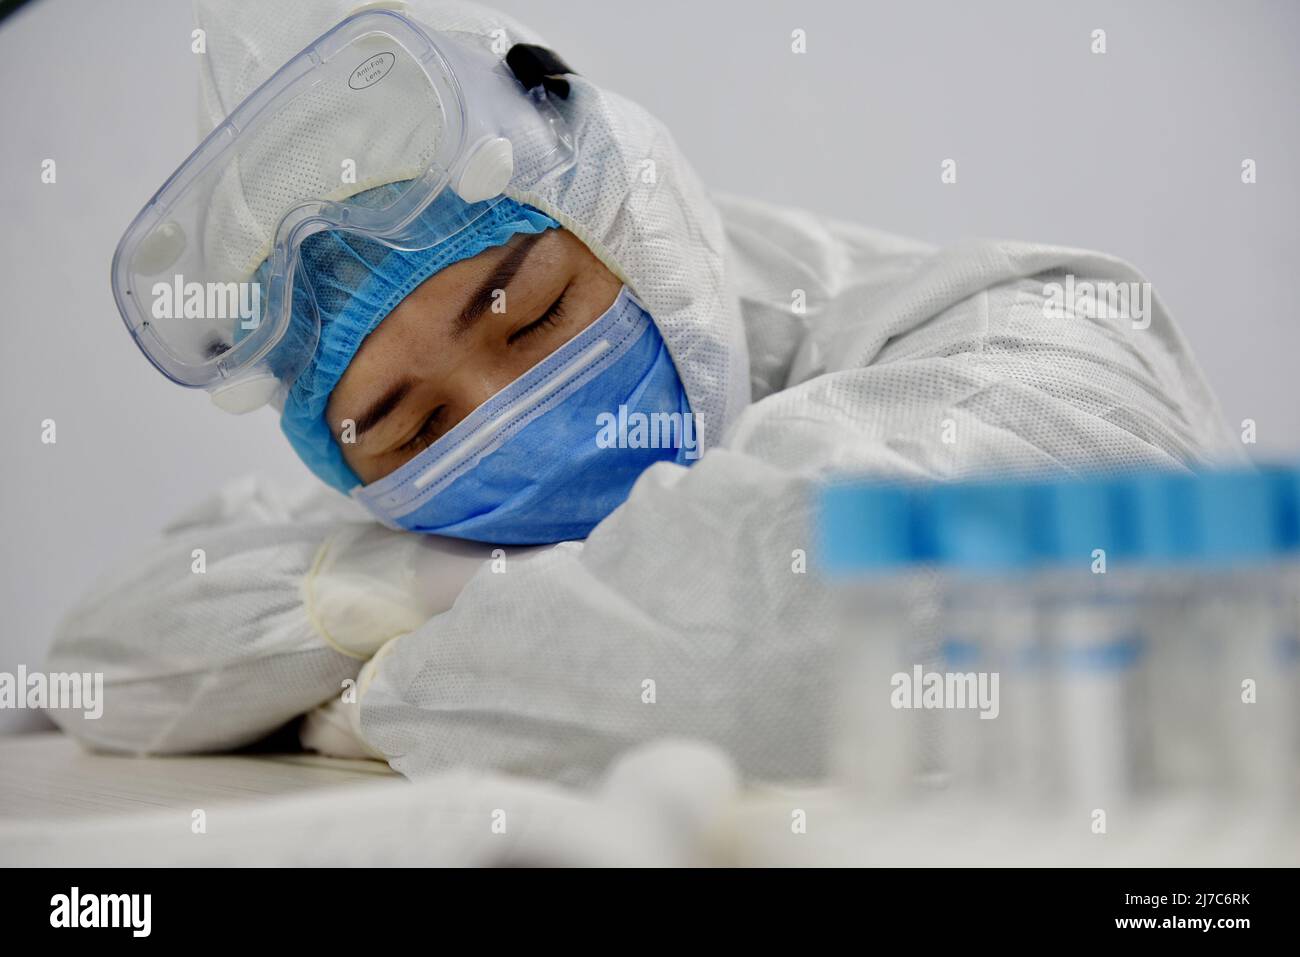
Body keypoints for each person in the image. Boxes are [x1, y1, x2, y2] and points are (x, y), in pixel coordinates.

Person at [46, 0, 1241, 783]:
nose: (502, 409)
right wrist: (409, 587)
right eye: (414, 425)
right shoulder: (416, 514)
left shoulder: (1045, 321)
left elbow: (812, 629)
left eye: (532, 313)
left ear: (634, 219)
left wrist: (379, 688)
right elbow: (105, 659)